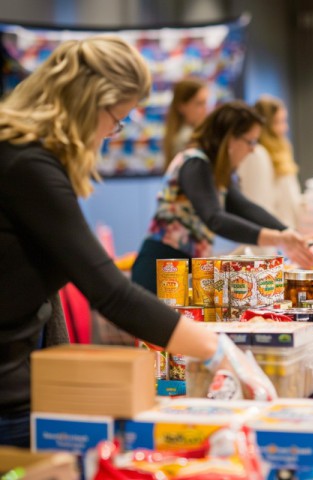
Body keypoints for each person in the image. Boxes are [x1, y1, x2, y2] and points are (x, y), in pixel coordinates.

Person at [0, 36, 269, 448]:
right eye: (118, 118)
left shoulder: (25, 157)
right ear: (91, 102)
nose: (112, 133)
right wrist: (216, 349)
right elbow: (110, 293)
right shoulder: (28, 163)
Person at [131, 100, 313, 293]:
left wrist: (287, 232)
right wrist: (277, 238)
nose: (253, 149)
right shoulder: (195, 163)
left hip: (182, 267)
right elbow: (215, 218)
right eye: (250, 141)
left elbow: (243, 207)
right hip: (160, 268)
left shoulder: (215, 170)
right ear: (230, 139)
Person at [237, 95, 302, 229]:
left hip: (285, 234)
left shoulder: (281, 151)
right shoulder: (256, 154)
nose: (285, 128)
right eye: (278, 122)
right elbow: (258, 204)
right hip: (270, 239)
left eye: (284, 121)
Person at [162, 77, 209, 168]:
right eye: (199, 104)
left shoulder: (182, 134)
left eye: (206, 103)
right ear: (182, 106)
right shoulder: (187, 138)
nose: (205, 109)